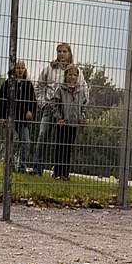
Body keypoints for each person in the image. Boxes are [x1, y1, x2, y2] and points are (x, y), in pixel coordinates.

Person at [33, 43, 88, 175]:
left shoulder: (76, 71)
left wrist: (81, 111)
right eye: (59, 51)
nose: (61, 54)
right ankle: (38, 169)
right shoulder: (49, 69)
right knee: (42, 136)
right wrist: (42, 103)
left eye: (64, 51)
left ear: (69, 53)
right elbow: (39, 86)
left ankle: (58, 171)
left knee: (62, 142)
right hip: (50, 108)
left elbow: (84, 90)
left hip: (67, 112)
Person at [44, 63, 88, 180]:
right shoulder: (61, 89)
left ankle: (65, 174)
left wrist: (81, 117)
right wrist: (59, 117)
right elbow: (53, 103)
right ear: (66, 76)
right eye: (70, 75)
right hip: (62, 124)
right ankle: (57, 173)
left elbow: (84, 105)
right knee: (60, 148)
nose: (72, 77)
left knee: (68, 148)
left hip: (73, 124)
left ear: (77, 77)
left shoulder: (81, 91)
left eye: (74, 75)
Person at [0, 59, 37, 173]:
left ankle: (22, 167)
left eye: (22, 68)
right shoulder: (7, 84)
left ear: (25, 70)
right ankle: (9, 166)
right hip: (10, 118)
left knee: (26, 142)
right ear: (13, 70)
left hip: (22, 120)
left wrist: (31, 111)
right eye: (18, 68)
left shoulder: (28, 85)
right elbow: (1, 101)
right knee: (10, 142)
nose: (20, 70)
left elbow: (33, 101)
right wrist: (1, 117)